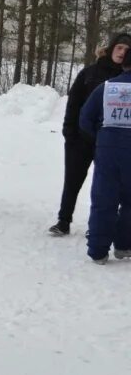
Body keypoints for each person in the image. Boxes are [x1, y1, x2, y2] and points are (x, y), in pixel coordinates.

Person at [48, 33, 130, 235]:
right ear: (111, 49)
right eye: (119, 47)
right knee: (73, 180)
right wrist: (70, 133)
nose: (122, 53)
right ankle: (63, 221)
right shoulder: (89, 73)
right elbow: (74, 104)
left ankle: (96, 225)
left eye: (127, 50)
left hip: (110, 143)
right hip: (81, 139)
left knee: (105, 186)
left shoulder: (127, 78)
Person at [78, 47, 131, 264]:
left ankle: (98, 251)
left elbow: (85, 119)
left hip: (108, 148)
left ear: (123, 65)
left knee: (103, 199)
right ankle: (124, 245)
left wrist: (101, 138)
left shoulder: (105, 88)